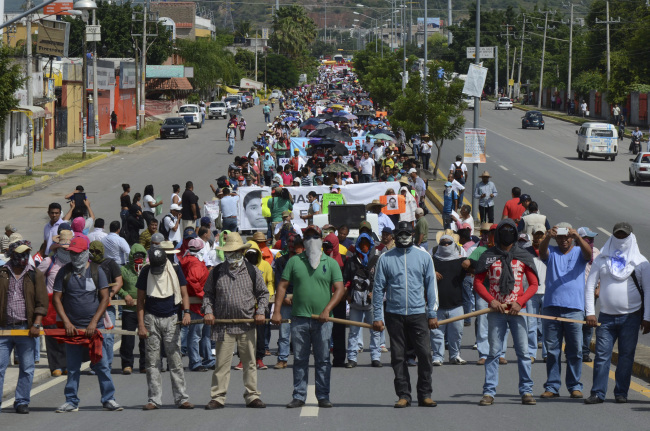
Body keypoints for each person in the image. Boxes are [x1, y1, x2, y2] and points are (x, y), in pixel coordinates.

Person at [271, 225, 345, 409]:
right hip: (299, 318)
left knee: (323, 360)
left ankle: (323, 395)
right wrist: (277, 311)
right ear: (303, 240)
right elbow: (281, 286)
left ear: (321, 240)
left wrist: (327, 309)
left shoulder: (331, 263)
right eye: (308, 236)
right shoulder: (294, 262)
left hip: (323, 320)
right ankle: (299, 395)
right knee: (300, 359)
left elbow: (340, 289)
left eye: (315, 236)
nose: (312, 239)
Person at [52, 237, 123, 413]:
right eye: (72, 254)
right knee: (73, 367)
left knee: (102, 365)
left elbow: (105, 298)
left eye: (77, 254)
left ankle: (109, 399)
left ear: (86, 254)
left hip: (95, 328)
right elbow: (56, 299)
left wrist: (93, 323)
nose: (74, 257)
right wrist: (67, 322)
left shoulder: (97, 271)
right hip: (73, 330)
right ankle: (71, 401)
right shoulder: (64, 272)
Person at [372, 221, 438, 408]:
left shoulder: (424, 257)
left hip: (419, 314)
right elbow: (378, 289)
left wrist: (432, 313)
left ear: (413, 234)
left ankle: (425, 393)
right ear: (394, 235)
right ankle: (404, 395)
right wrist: (377, 316)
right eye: (400, 233)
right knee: (398, 357)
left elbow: (431, 286)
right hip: (394, 314)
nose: (403, 237)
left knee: (424, 354)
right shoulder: (385, 258)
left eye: (406, 233)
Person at [473, 219, 539, 406]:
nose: (507, 234)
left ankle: (526, 391)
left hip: (518, 312)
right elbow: (478, 282)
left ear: (516, 234)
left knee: (524, 353)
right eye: (504, 231)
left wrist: (520, 302)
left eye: (511, 231)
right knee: (493, 353)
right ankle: (489, 392)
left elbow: (534, 284)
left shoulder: (523, 256)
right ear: (498, 234)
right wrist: (491, 300)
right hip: (496, 311)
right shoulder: (488, 255)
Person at [584, 222, 650, 404]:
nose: (621, 239)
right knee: (601, 356)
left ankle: (621, 393)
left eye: (624, 236)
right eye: (618, 235)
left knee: (626, 356)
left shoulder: (641, 262)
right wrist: (590, 312)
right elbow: (590, 286)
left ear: (630, 237)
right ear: (613, 236)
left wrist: (647, 318)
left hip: (632, 317)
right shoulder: (602, 259)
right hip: (606, 317)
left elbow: (649, 290)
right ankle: (597, 393)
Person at [203, 233, 269, 409]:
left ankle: (252, 395)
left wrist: (260, 311)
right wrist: (208, 311)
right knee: (222, 364)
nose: (232, 254)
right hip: (223, 326)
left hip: (246, 324)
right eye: (229, 251)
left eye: (235, 251)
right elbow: (208, 295)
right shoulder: (217, 271)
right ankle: (218, 397)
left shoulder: (252, 271)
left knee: (249, 363)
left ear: (242, 251)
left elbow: (263, 294)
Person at [538, 222, 592, 400]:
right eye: (560, 236)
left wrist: (578, 237)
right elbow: (541, 252)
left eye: (567, 236)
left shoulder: (578, 251)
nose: (564, 240)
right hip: (552, 306)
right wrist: (547, 236)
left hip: (574, 308)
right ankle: (552, 386)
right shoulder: (552, 251)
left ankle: (574, 385)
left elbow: (589, 254)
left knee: (575, 350)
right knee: (552, 350)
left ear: (572, 237)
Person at [137, 247, 194, 410]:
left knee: (175, 359)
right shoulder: (146, 271)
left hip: (171, 318)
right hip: (151, 318)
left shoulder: (175, 269)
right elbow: (140, 300)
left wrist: (187, 313)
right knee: (152, 361)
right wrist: (141, 324)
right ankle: (154, 399)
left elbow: (184, 294)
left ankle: (182, 398)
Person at [0, 240, 47, 414]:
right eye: (20, 253)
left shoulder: (35, 274)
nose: (23, 257)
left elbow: (42, 303)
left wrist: (36, 324)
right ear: (12, 255)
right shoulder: (2, 272)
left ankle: (21, 401)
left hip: (26, 329)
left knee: (27, 368)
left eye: (26, 253)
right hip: (3, 330)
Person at [431, 235, 471, 366]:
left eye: (449, 243)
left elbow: (477, 266)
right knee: (437, 334)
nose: (446, 245)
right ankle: (437, 357)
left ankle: (455, 355)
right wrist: (431, 273)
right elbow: (421, 274)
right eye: (443, 243)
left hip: (456, 305)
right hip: (437, 306)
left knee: (456, 334)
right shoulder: (432, 261)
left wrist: (470, 263)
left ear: (453, 244)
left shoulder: (461, 261)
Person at [344, 234, 381, 368]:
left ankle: (376, 357)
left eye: (367, 244)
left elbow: (381, 281)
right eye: (362, 244)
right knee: (354, 331)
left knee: (375, 330)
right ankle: (352, 358)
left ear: (370, 246)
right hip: (355, 303)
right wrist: (347, 295)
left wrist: (374, 293)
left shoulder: (377, 260)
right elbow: (345, 279)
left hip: (372, 303)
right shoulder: (352, 261)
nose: (364, 247)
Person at [179, 238, 215, 372]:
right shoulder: (195, 264)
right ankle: (196, 361)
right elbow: (192, 280)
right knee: (196, 334)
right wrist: (202, 294)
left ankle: (208, 359)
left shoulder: (189, 260)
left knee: (205, 333)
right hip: (197, 304)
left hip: (199, 302)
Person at [88, 241, 123, 371]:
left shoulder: (110, 263)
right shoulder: (88, 265)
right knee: (94, 336)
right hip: (93, 306)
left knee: (108, 336)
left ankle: (106, 364)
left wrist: (110, 294)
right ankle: (95, 363)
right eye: (92, 251)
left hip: (108, 306)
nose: (94, 254)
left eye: (97, 252)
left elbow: (118, 282)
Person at [271, 234, 303, 369]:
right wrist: (283, 298)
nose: (293, 251)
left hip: (301, 299)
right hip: (285, 299)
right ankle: (282, 358)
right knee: (284, 332)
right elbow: (279, 282)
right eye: (291, 248)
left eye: (296, 248)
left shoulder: (305, 262)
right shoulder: (280, 261)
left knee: (299, 332)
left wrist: (298, 297)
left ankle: (299, 359)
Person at [245, 240, 275, 370]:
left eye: (254, 254)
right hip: (246, 304)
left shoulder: (265, 265)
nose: (251, 257)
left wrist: (267, 298)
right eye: (249, 254)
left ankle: (259, 358)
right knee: (244, 333)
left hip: (262, 303)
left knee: (261, 333)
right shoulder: (242, 267)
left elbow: (270, 282)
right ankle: (243, 359)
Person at [119, 243, 147, 374]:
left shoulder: (147, 269)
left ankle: (144, 364)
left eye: (141, 255)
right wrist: (125, 295)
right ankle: (127, 364)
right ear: (131, 256)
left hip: (145, 310)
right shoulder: (124, 270)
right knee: (127, 340)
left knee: (145, 338)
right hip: (128, 310)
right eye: (136, 255)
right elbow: (118, 286)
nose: (139, 258)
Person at [526, 225, 548, 363]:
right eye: (536, 235)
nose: (539, 238)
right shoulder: (526, 252)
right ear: (532, 235)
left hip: (547, 293)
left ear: (545, 236)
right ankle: (531, 353)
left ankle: (546, 354)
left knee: (547, 325)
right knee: (531, 325)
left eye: (541, 235)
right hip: (531, 293)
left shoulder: (549, 251)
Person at [579, 226, 600, 362]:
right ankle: (573, 350)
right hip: (577, 294)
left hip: (591, 294)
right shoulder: (575, 252)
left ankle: (585, 352)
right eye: (587, 239)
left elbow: (602, 271)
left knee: (588, 324)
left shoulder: (597, 252)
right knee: (575, 324)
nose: (591, 241)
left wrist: (599, 287)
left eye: (592, 238)